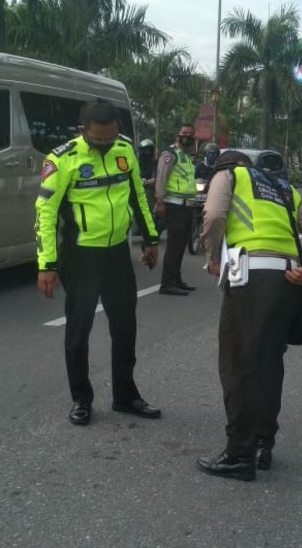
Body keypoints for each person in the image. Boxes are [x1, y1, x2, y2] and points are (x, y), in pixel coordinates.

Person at [198, 151, 302, 481]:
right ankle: (262, 444)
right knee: (269, 362)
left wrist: (213, 258)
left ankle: (239, 454)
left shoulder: (229, 177)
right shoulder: (284, 189)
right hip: (288, 279)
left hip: (250, 278)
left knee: (238, 364)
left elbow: (213, 216)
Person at [35, 99, 161, 426]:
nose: (106, 145)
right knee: (79, 332)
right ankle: (81, 399)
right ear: (83, 131)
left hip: (117, 253)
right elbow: (45, 214)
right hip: (81, 257)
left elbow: (136, 196)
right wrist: (46, 264)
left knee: (125, 328)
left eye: (111, 138)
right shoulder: (62, 160)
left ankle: (126, 395)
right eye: (98, 140)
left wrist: (150, 239)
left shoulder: (125, 151)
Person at [154, 123, 197, 295]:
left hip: (186, 206)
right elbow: (161, 179)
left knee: (180, 246)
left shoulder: (187, 156)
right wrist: (160, 201)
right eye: (184, 133)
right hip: (173, 205)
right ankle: (167, 283)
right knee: (173, 246)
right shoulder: (169, 155)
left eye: (190, 134)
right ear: (177, 135)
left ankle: (176, 279)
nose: (187, 136)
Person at [136, 138, 165, 236]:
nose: (146, 153)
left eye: (149, 150)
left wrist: (144, 182)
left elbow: (153, 180)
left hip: (150, 190)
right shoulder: (135, 163)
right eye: (145, 150)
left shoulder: (154, 164)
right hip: (136, 188)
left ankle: (152, 225)